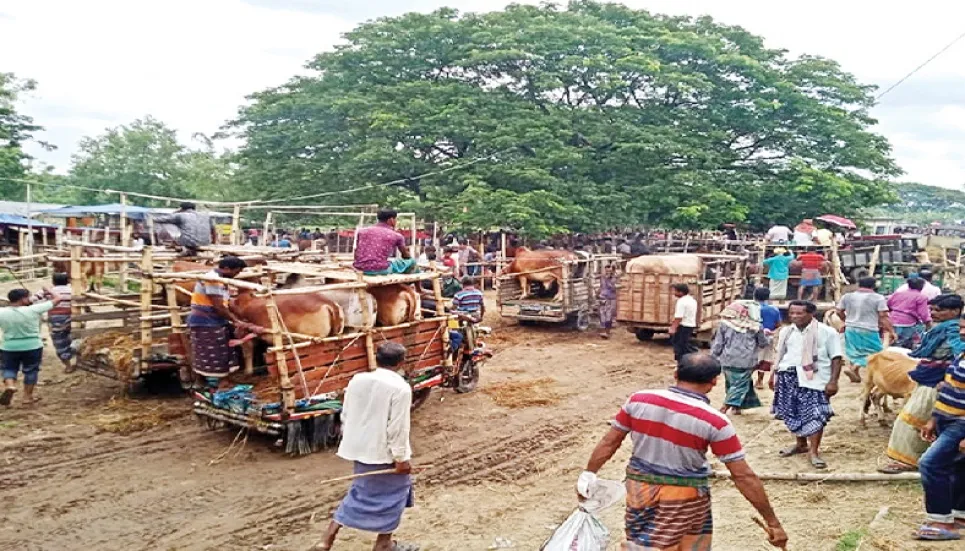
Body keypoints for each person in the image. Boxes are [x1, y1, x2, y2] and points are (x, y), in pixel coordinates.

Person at [580, 353, 788, 550]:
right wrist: (772, 521)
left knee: (640, 541)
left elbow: (610, 440)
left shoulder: (639, 400)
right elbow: (742, 475)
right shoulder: (715, 421)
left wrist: (589, 473)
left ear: (676, 374)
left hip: (639, 490)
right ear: (714, 382)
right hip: (684, 496)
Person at [317, 342, 418, 551]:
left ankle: (326, 539)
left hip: (360, 449)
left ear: (377, 359)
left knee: (359, 492)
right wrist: (401, 459)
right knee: (395, 495)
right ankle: (384, 544)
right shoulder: (400, 388)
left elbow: (346, 413)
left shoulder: (357, 380)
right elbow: (397, 428)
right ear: (401, 362)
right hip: (383, 453)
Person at [880, 294, 965, 474]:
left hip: (939, 382)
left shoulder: (952, 330)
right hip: (933, 379)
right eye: (932, 309)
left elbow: (958, 352)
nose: (933, 313)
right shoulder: (940, 329)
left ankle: (908, 460)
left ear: (955, 311)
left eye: (939, 310)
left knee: (912, 419)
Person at [770, 300, 844, 469]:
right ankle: (800, 443)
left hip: (815, 379)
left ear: (811, 314)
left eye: (799, 313)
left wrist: (833, 381)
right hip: (789, 375)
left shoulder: (827, 332)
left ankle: (814, 451)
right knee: (793, 411)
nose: (795, 316)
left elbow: (837, 358)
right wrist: (773, 375)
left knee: (815, 415)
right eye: (792, 313)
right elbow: (780, 354)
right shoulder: (786, 332)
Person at [914, 341, 965, 541]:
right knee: (959, 466)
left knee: (930, 464)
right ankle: (959, 514)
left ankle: (941, 521)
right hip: (948, 419)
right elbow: (949, 389)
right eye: (961, 326)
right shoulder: (961, 355)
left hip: (961, 423)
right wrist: (934, 418)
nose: (962, 331)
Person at [187, 256, 250, 390]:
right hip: (206, 321)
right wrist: (236, 321)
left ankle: (203, 381)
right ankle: (222, 382)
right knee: (217, 351)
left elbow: (225, 303)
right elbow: (219, 306)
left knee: (205, 351)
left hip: (210, 320)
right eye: (236, 271)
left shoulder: (221, 280)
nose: (236, 275)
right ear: (226, 269)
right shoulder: (213, 280)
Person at [0, 288, 64, 407]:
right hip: (32, 345)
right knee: (31, 370)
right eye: (28, 297)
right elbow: (58, 299)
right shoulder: (34, 309)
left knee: (8, 369)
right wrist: (48, 290)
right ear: (23, 299)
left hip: (9, 346)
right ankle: (27, 397)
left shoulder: (2, 312)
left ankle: (10, 385)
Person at [711, 301, 770, 415]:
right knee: (740, 384)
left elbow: (718, 343)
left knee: (731, 383)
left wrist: (713, 357)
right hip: (746, 360)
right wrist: (767, 335)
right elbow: (763, 343)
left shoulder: (724, 324)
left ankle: (737, 408)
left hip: (727, 359)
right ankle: (725, 407)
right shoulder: (756, 326)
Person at [838, 277, 896, 382]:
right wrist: (891, 331)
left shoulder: (847, 296)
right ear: (874, 286)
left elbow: (839, 311)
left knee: (854, 352)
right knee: (876, 353)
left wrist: (846, 320)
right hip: (869, 329)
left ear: (859, 284)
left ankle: (855, 374)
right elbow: (883, 316)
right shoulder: (878, 298)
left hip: (851, 328)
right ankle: (856, 367)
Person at [353, 210, 416, 275]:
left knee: (390, 263)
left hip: (359, 268)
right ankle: (414, 284)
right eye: (396, 219)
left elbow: (356, 252)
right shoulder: (396, 235)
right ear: (391, 220)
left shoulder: (362, 231)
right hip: (380, 269)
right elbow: (406, 255)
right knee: (412, 262)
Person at [33, 273, 74, 372]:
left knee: (59, 341)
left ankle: (68, 366)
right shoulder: (73, 289)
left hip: (56, 320)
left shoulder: (49, 290)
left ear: (53, 281)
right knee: (76, 337)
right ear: (67, 281)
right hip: (74, 317)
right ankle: (77, 356)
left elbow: (33, 299)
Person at [887, 277, 932, 349]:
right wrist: (928, 324)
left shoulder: (897, 294)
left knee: (891, 342)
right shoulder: (921, 297)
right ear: (922, 286)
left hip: (891, 320)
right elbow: (923, 314)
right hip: (908, 323)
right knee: (903, 344)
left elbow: (888, 305)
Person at [755, 287, 782, 390]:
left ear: (755, 296)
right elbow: (778, 324)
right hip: (767, 336)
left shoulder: (752, 308)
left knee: (752, 358)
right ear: (768, 297)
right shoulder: (774, 309)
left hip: (752, 336)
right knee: (765, 359)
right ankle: (760, 381)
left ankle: (747, 380)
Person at [670, 283, 698, 365]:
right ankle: (685, 361)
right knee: (684, 344)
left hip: (683, 326)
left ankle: (683, 362)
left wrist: (673, 327)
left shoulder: (681, 301)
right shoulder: (692, 300)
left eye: (675, 291)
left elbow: (679, 317)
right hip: (690, 325)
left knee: (679, 345)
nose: (674, 293)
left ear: (681, 292)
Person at [598, 264, 618, 339]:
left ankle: (607, 332)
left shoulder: (613, 278)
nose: (607, 272)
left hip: (610, 298)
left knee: (608, 315)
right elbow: (602, 286)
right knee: (602, 315)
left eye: (609, 271)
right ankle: (604, 331)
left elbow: (613, 288)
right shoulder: (603, 277)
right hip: (603, 297)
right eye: (606, 271)